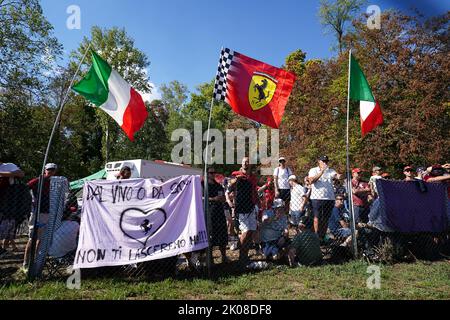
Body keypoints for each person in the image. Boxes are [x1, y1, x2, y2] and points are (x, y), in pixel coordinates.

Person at [22, 163, 58, 271]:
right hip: (36, 212)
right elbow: (25, 188)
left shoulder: (56, 183)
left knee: (40, 240)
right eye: (49, 170)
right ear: (45, 170)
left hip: (48, 213)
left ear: (55, 171)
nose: (50, 172)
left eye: (53, 170)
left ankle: (35, 261)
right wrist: (29, 202)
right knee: (32, 239)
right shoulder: (38, 180)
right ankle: (25, 263)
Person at [227, 157, 258, 265]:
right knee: (246, 231)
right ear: (241, 163)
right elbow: (230, 184)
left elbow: (255, 190)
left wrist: (258, 203)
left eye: (247, 162)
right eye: (244, 161)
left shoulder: (253, 177)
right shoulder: (236, 174)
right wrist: (237, 179)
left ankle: (245, 255)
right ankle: (241, 254)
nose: (246, 163)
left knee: (251, 232)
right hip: (241, 208)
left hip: (251, 207)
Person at [308, 155, 338, 240]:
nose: (325, 163)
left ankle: (322, 236)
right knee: (317, 217)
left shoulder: (331, 170)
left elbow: (336, 176)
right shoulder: (313, 170)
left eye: (326, 161)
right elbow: (311, 180)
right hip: (317, 198)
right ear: (319, 161)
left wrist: (339, 176)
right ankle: (316, 235)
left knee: (326, 218)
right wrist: (322, 171)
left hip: (329, 198)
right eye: (323, 161)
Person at [0, 161, 25, 254]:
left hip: (6, 203)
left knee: (7, 229)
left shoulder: (8, 166)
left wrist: (2, 174)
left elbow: (21, 174)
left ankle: (4, 248)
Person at [205, 167, 228, 264]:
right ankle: (210, 259)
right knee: (210, 234)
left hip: (219, 212)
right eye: (210, 172)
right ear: (207, 173)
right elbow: (202, 198)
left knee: (222, 234)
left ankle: (224, 256)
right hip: (209, 213)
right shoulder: (204, 185)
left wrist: (222, 199)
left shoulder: (218, 186)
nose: (213, 174)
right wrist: (213, 199)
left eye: (214, 172)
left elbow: (224, 198)